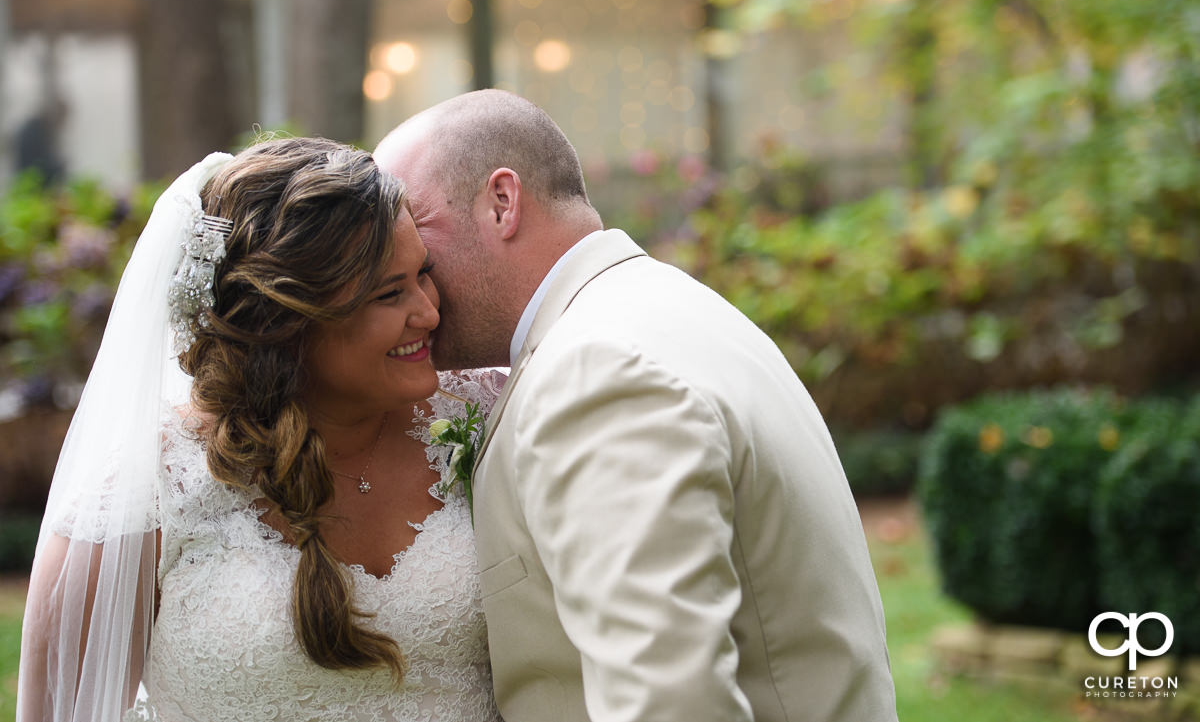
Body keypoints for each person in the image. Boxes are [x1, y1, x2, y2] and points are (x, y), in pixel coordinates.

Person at [374, 90, 899, 722]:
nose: (406, 265)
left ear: (502, 203)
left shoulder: (596, 373)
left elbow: (670, 702)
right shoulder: (663, 307)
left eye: (414, 229)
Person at [17, 137, 505, 722]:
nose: (428, 311)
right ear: (288, 322)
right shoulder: (146, 493)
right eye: (389, 293)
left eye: (422, 274)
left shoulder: (481, 420)